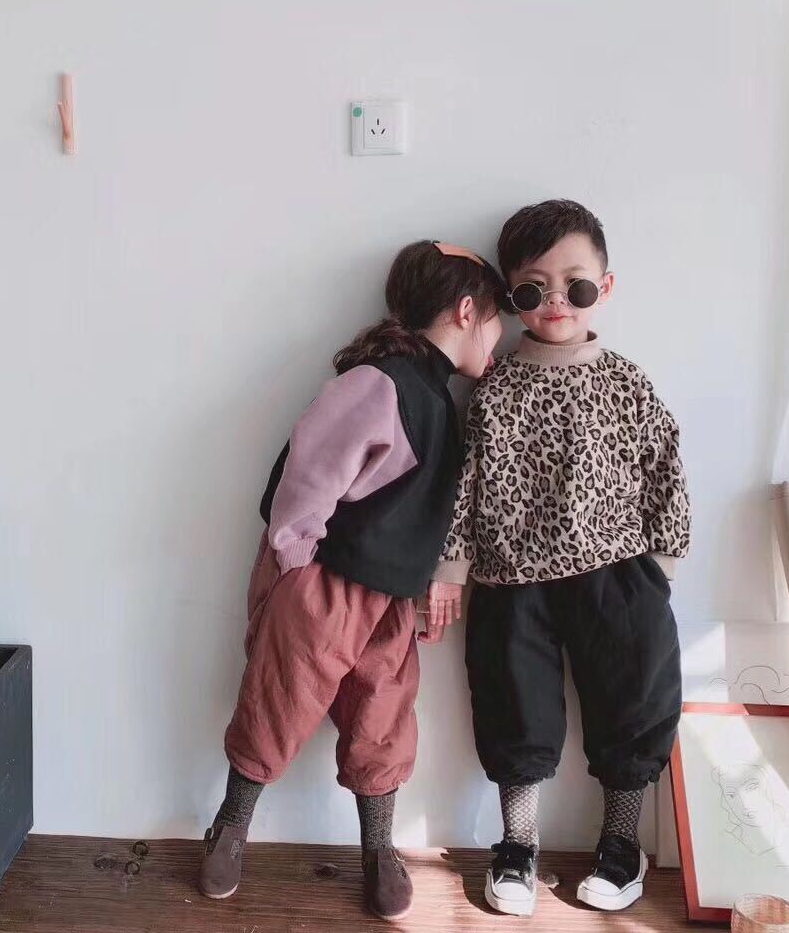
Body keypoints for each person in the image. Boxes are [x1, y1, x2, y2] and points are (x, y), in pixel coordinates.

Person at [198, 240, 505, 921]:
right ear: (465, 311)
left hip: (389, 599)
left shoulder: (437, 398)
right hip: (326, 584)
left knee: (383, 718)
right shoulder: (382, 383)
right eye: (494, 320)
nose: (499, 337)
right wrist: (294, 566)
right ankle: (231, 824)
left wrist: (428, 582)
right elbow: (310, 472)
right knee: (279, 701)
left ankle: (378, 849)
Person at [431, 199, 690, 916]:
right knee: (512, 699)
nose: (555, 303)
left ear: (604, 288)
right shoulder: (494, 388)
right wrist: (451, 569)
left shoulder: (626, 381)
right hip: (513, 575)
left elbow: (665, 465)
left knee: (635, 696)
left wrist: (664, 560)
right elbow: (464, 483)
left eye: (575, 286)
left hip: (618, 567)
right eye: (531, 290)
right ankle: (518, 844)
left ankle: (621, 841)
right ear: (509, 297)